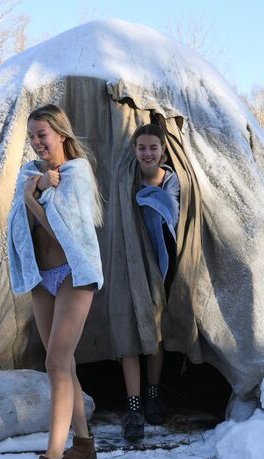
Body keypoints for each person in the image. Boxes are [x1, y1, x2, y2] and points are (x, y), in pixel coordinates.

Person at [6, 104, 104, 459]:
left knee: (56, 363)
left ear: (61, 134)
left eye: (42, 134)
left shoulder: (76, 174)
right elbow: (16, 222)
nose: (36, 142)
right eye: (31, 136)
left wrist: (35, 198)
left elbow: (66, 233)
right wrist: (32, 192)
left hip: (73, 275)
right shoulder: (30, 174)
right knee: (63, 363)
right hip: (42, 277)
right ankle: (83, 443)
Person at [120, 124, 180, 442]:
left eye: (153, 147)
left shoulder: (170, 181)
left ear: (163, 150)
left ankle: (153, 392)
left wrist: (144, 197)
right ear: (134, 150)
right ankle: (134, 405)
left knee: (155, 333)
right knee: (130, 330)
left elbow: (170, 210)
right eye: (141, 147)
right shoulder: (124, 180)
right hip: (129, 264)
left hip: (160, 265)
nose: (147, 153)